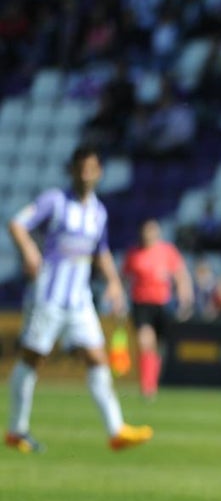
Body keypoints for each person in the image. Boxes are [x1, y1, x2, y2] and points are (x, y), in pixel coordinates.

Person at [5, 146, 153, 453]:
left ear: (99, 173)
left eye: (92, 169)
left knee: (97, 358)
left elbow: (100, 252)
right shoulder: (54, 201)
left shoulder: (98, 211)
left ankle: (116, 431)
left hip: (80, 300)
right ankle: (17, 430)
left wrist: (113, 282)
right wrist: (30, 250)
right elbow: (17, 223)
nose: (86, 175)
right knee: (33, 358)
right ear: (71, 170)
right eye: (81, 169)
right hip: (49, 295)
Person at [120, 219, 194, 400]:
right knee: (145, 342)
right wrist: (119, 299)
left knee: (158, 347)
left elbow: (181, 275)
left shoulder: (167, 252)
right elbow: (123, 278)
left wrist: (185, 297)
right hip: (141, 304)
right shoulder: (134, 254)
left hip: (162, 303)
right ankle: (147, 386)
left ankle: (152, 380)